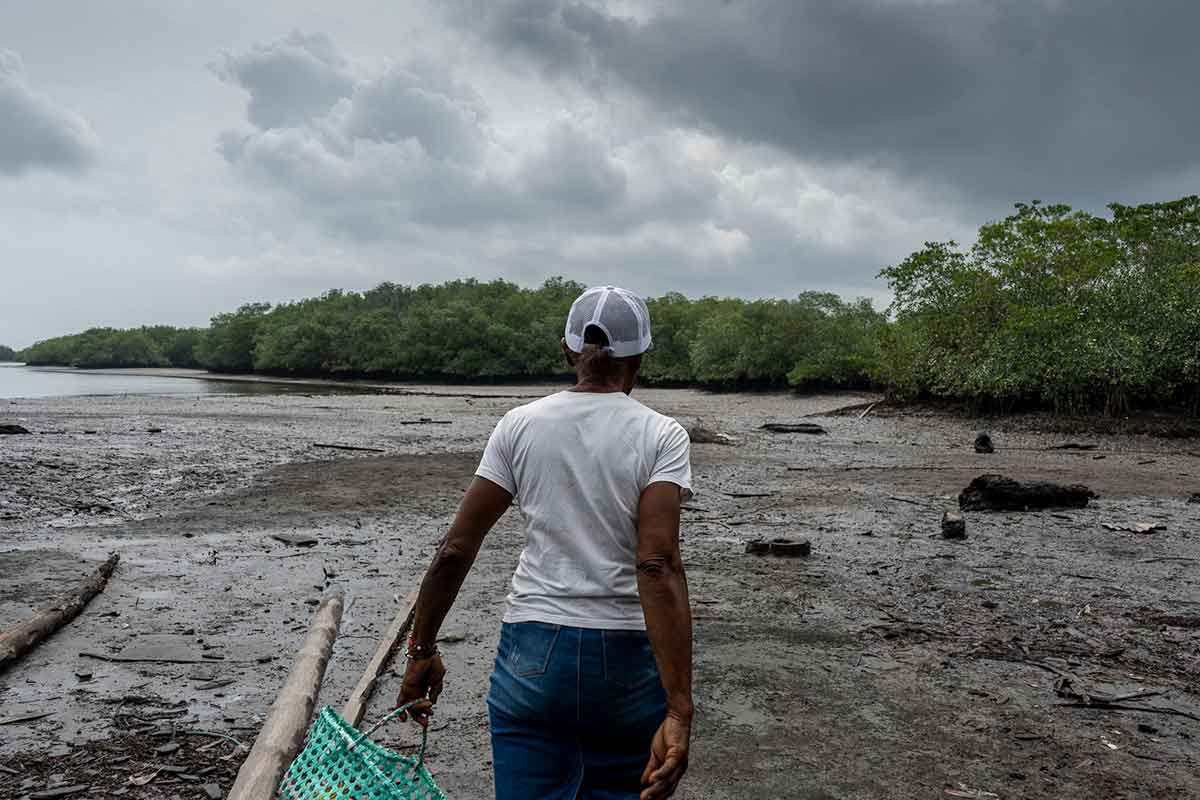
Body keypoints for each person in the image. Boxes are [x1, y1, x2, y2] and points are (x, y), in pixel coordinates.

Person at [397, 286, 695, 800]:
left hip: (532, 656)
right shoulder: (662, 435)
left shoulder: (520, 425)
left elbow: (455, 550)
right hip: (624, 658)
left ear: (567, 350)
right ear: (640, 356)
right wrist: (679, 708)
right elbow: (656, 562)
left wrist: (421, 649)